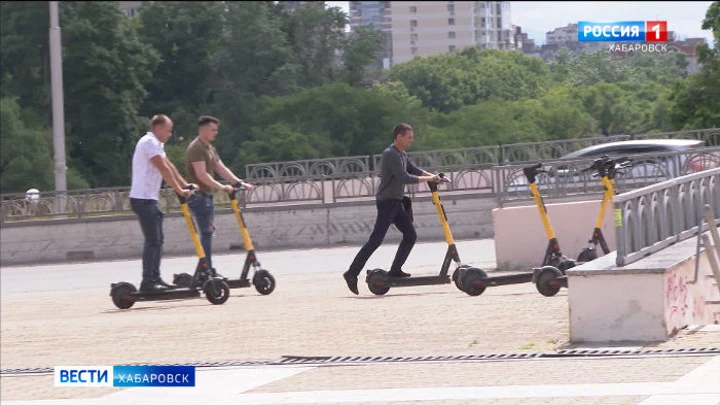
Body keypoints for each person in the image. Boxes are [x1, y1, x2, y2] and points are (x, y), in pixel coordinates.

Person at [342, 123, 443, 295]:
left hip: (396, 202)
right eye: (409, 137)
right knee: (376, 240)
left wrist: (434, 176)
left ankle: (396, 269)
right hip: (387, 202)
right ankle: (351, 273)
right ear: (399, 137)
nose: (411, 140)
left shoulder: (402, 154)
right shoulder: (390, 154)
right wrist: (429, 179)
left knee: (410, 235)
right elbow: (404, 177)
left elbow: (413, 169)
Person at [129, 114, 195, 292]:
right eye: (168, 130)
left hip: (149, 198)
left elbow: (170, 166)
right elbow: (163, 169)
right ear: (158, 128)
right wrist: (180, 191)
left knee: (157, 240)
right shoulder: (148, 142)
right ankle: (148, 282)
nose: (170, 134)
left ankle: (155, 278)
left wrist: (185, 185)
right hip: (143, 198)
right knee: (153, 241)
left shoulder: (157, 145)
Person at [184, 115, 255, 275]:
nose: (216, 133)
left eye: (216, 130)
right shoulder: (196, 148)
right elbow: (201, 174)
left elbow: (221, 168)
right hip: (198, 197)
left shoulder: (209, 147)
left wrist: (239, 183)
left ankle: (204, 270)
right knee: (207, 234)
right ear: (203, 130)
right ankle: (206, 271)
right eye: (213, 130)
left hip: (206, 197)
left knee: (207, 234)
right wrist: (222, 187)